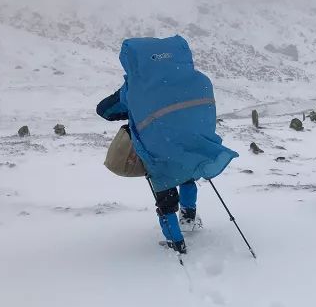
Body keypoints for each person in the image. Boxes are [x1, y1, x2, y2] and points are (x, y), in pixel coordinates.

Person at [97, 35, 238, 253]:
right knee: (187, 174)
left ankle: (176, 242)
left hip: (158, 154)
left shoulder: (135, 89)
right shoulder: (199, 80)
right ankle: (189, 216)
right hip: (191, 146)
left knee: (165, 192)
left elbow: (104, 110)